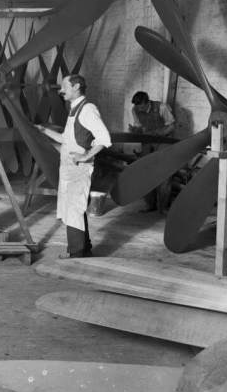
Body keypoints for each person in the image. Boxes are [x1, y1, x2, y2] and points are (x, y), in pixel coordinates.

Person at [37, 74, 111, 258]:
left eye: (65, 86)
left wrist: (85, 156)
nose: (61, 90)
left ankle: (76, 255)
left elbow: (104, 138)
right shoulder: (75, 110)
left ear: (76, 87)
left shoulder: (87, 109)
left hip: (79, 170)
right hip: (69, 170)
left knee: (73, 211)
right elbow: (65, 139)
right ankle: (85, 250)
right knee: (75, 210)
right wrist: (43, 130)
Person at [129, 90, 175, 212]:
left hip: (163, 141)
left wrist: (158, 133)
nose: (139, 109)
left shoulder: (162, 107)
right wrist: (135, 130)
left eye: (141, 107)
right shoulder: (135, 110)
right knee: (145, 172)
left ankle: (163, 206)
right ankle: (150, 204)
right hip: (147, 141)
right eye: (137, 107)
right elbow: (139, 126)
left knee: (164, 174)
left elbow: (171, 126)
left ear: (147, 102)